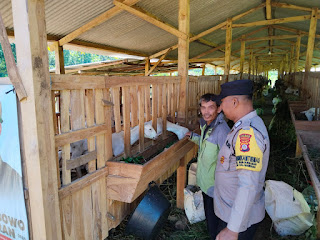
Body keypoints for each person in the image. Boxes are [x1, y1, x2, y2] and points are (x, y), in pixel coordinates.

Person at [214, 79, 270, 240]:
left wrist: (233, 229)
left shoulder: (248, 134)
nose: (220, 108)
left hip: (237, 219)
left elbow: (248, 184)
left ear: (234, 101)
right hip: (232, 212)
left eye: (222, 103)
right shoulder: (244, 126)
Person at [186, 93, 230, 239]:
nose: (206, 112)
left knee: (215, 220)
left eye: (211, 108)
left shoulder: (222, 130)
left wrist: (223, 186)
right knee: (210, 215)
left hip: (216, 187)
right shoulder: (207, 126)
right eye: (203, 107)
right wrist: (193, 137)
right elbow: (206, 144)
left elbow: (229, 160)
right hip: (206, 183)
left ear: (218, 109)